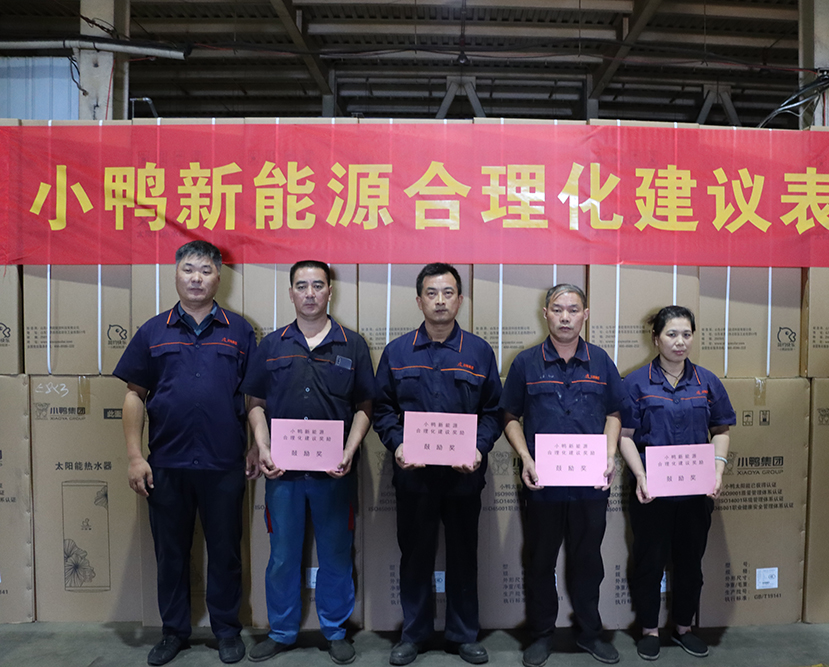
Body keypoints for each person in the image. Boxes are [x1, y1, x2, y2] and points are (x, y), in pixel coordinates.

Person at [115, 241, 256, 666]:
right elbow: (134, 395)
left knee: (226, 552)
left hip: (224, 463)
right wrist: (135, 456)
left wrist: (255, 446)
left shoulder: (240, 331)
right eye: (189, 269)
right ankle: (173, 632)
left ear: (219, 278)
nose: (197, 278)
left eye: (206, 270)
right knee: (171, 553)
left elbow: (254, 396)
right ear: (175, 274)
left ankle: (226, 631)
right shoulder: (153, 331)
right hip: (167, 464)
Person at [241, 261, 375, 664]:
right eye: (302, 286)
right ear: (291, 293)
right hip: (283, 473)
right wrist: (262, 446)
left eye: (318, 285)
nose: (310, 293)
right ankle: (281, 631)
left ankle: (335, 630)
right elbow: (255, 403)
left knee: (336, 552)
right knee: (283, 555)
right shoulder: (272, 345)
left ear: (330, 291)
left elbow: (365, 406)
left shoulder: (352, 345)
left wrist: (350, 449)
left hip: (334, 473)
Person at [373, 262, 503, 666]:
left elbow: (493, 411)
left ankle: (464, 635)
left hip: (464, 476)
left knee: (464, 555)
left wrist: (479, 448)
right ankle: (414, 634)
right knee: (415, 556)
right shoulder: (397, 352)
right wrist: (397, 444)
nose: (440, 301)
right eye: (432, 293)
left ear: (460, 300)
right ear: (419, 300)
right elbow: (382, 408)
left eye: (448, 293)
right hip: (414, 476)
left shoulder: (479, 352)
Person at [500, 284, 624, 667]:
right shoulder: (525, 363)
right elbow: (509, 416)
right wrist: (526, 457)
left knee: (588, 561)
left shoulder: (601, 361)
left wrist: (609, 455)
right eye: (558, 309)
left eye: (573, 310)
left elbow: (614, 413)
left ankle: (589, 633)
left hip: (590, 484)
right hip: (543, 483)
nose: (565, 317)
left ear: (585, 314)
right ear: (545, 313)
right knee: (540, 561)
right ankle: (541, 634)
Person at [618, 306, 734, 661]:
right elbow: (624, 436)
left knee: (690, 564)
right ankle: (649, 629)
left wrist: (717, 471)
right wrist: (641, 476)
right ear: (656, 339)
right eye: (671, 334)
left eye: (686, 334)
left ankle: (684, 627)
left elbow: (721, 430)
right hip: (651, 492)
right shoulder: (636, 383)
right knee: (649, 562)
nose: (680, 342)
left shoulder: (707, 382)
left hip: (696, 493)